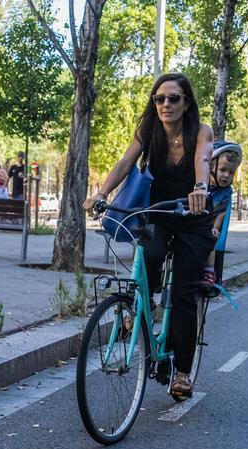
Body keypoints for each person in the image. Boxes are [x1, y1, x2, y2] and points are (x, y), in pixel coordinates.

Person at [84, 73, 215, 400]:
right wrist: (100, 193)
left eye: (173, 98)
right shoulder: (148, 131)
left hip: (192, 215)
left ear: (187, 103)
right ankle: (146, 304)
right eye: (160, 99)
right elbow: (126, 162)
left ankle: (182, 371)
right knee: (150, 255)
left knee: (184, 292)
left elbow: (202, 161)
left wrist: (200, 189)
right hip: (158, 211)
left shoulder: (200, 132)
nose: (166, 104)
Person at [201, 141, 243, 295]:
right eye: (223, 170)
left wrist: (215, 228)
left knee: (211, 237)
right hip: (193, 223)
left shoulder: (226, 192)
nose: (226, 175)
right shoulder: (200, 185)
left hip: (208, 225)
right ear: (211, 168)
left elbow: (221, 213)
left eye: (231, 172)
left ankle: (209, 272)